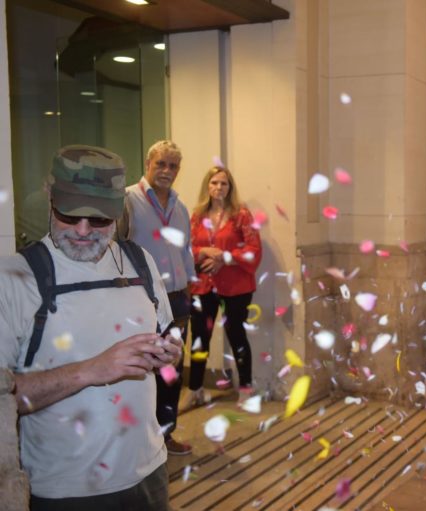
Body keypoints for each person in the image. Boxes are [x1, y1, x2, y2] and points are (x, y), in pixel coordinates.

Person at [0, 145, 180, 509]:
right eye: (68, 214)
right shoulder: (15, 277)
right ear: (50, 199)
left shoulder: (140, 262)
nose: (82, 230)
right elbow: (5, 399)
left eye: (99, 220)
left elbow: (168, 337)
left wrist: (169, 353)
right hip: (65, 492)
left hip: (149, 474)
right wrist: (92, 370)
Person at [118, 140, 196, 456]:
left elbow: (185, 252)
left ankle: (166, 435)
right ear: (148, 164)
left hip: (177, 301)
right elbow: (116, 250)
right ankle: (140, 440)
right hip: (142, 301)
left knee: (171, 371)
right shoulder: (127, 201)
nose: (166, 170)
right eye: (161, 164)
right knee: (142, 371)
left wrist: (189, 288)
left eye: (173, 166)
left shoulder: (180, 208)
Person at [186, 166, 261, 406]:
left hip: (236, 287)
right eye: (214, 182)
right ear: (207, 186)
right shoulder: (197, 215)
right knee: (199, 338)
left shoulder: (241, 215)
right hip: (203, 286)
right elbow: (187, 248)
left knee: (237, 336)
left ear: (230, 187)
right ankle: (195, 389)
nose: (219, 187)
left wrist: (225, 258)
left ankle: (246, 389)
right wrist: (206, 252)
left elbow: (253, 250)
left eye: (224, 183)